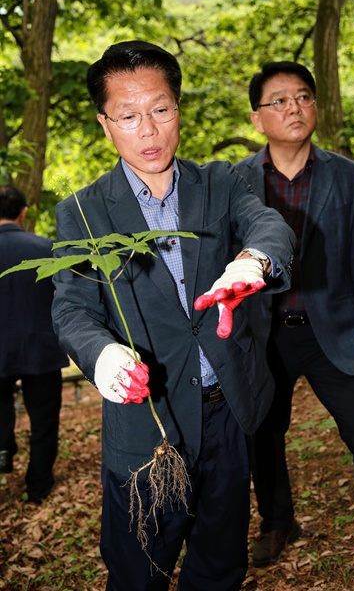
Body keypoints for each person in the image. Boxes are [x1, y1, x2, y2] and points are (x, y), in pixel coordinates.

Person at [50, 40, 295, 591]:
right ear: (104, 124)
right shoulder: (83, 212)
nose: (150, 130)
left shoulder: (221, 182)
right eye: (129, 116)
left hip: (227, 412)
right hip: (148, 424)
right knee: (139, 570)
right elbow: (71, 308)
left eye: (161, 109)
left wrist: (252, 262)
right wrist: (103, 352)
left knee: (220, 563)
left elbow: (269, 227)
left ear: (177, 109)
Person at [235, 61, 354, 591]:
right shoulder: (234, 179)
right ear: (258, 118)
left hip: (333, 333)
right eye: (278, 100)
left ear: (316, 106)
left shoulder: (347, 175)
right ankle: (278, 520)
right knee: (263, 434)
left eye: (302, 97)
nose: (293, 108)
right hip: (264, 335)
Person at [0, 184, 69, 503]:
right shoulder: (46, 247)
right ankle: (39, 485)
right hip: (40, 348)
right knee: (44, 420)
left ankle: (3, 450)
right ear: (24, 211)